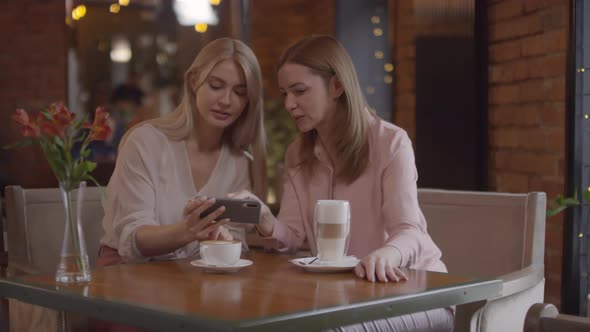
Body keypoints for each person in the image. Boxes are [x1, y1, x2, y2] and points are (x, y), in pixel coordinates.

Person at [231, 35, 453, 331]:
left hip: (416, 294)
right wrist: (263, 217)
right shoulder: (298, 153)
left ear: (336, 86)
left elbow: (409, 230)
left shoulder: (390, 143)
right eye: (285, 93)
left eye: (299, 91)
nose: (289, 104)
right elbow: (293, 236)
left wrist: (387, 254)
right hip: (347, 297)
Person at [97, 37, 267, 266]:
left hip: (194, 283)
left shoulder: (241, 163)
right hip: (129, 275)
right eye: (216, 86)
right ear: (194, 81)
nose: (227, 100)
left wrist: (222, 240)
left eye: (240, 92)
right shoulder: (145, 142)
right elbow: (133, 240)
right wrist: (187, 231)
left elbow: (232, 247)